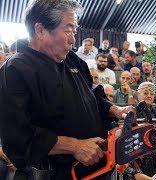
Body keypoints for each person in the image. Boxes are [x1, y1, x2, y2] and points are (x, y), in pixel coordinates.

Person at [0, 0, 131, 179]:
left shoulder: (74, 61)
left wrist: (116, 109)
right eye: (68, 30)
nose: (73, 38)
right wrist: (75, 146)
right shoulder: (15, 70)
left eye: (75, 30)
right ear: (40, 30)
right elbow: (17, 137)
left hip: (98, 167)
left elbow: (94, 96)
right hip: (51, 173)